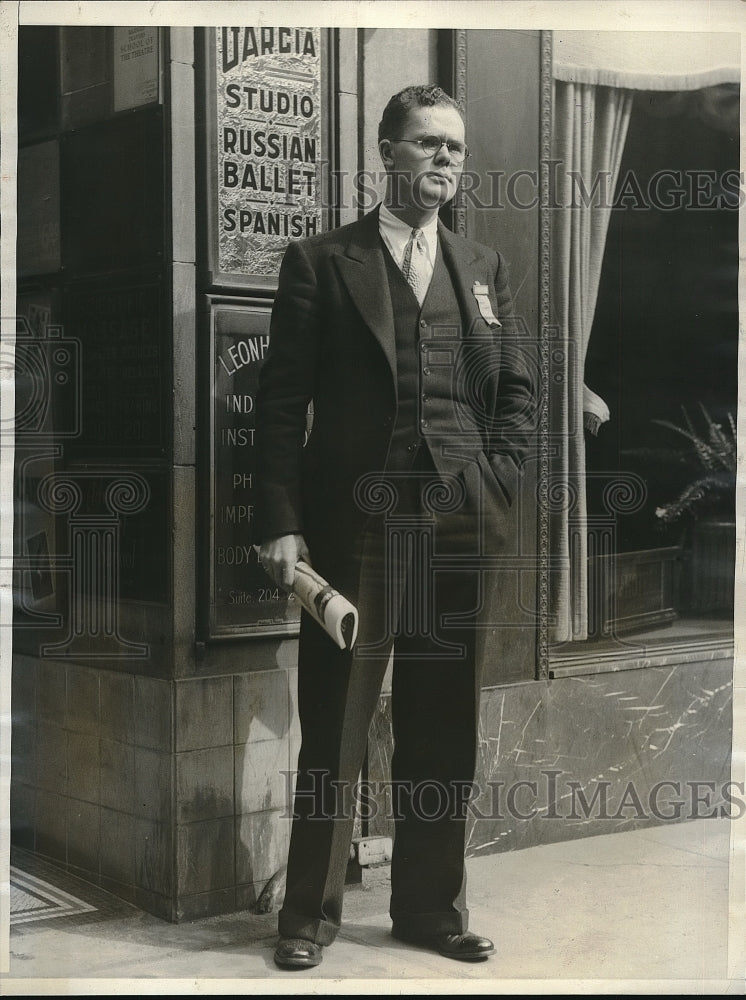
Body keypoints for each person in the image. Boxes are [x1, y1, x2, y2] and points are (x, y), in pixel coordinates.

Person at [254, 84, 536, 970]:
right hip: (355, 528)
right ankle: (309, 916)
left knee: (442, 722)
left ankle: (429, 910)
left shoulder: (482, 265)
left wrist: (496, 480)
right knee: (335, 719)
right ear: (387, 152)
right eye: (425, 145)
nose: (443, 160)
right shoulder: (320, 261)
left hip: (457, 526)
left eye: (454, 146)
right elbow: (279, 407)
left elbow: (517, 395)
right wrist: (283, 523)